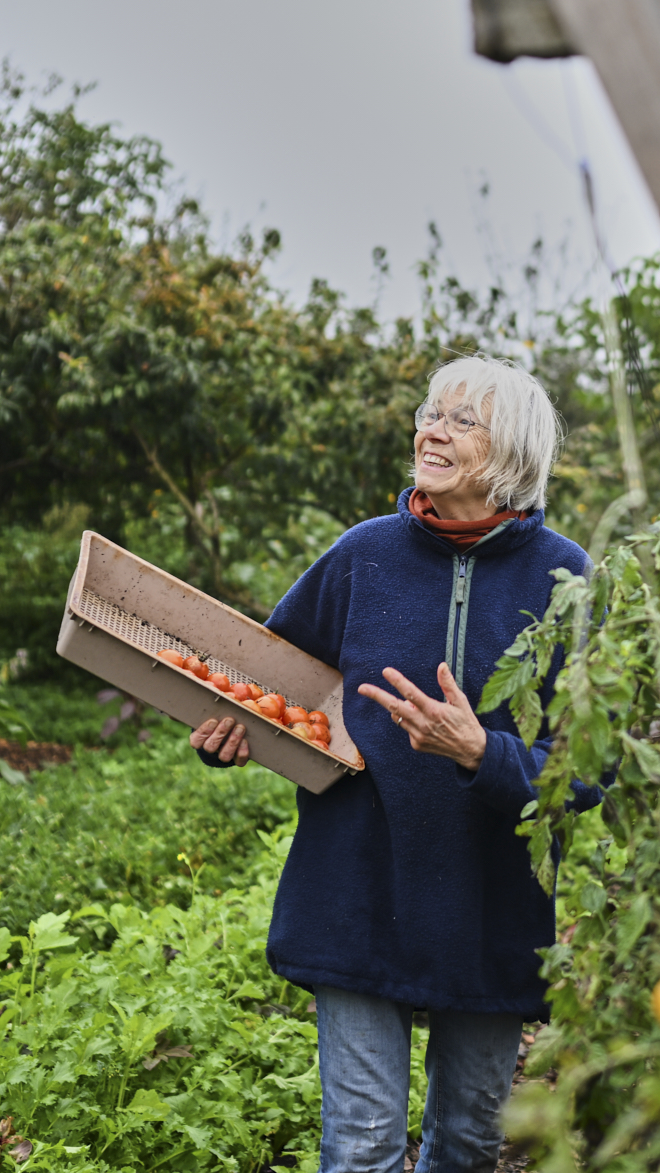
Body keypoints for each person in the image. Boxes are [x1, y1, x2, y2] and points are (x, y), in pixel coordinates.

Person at [189, 354, 592, 1173]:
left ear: (509, 451)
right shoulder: (361, 556)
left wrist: (482, 752)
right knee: (362, 1146)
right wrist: (235, 735)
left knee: (467, 1144)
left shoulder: (567, 580)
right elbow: (275, 689)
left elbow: (590, 771)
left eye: (459, 419)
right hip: (358, 888)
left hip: (490, 904)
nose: (430, 430)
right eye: (428, 412)